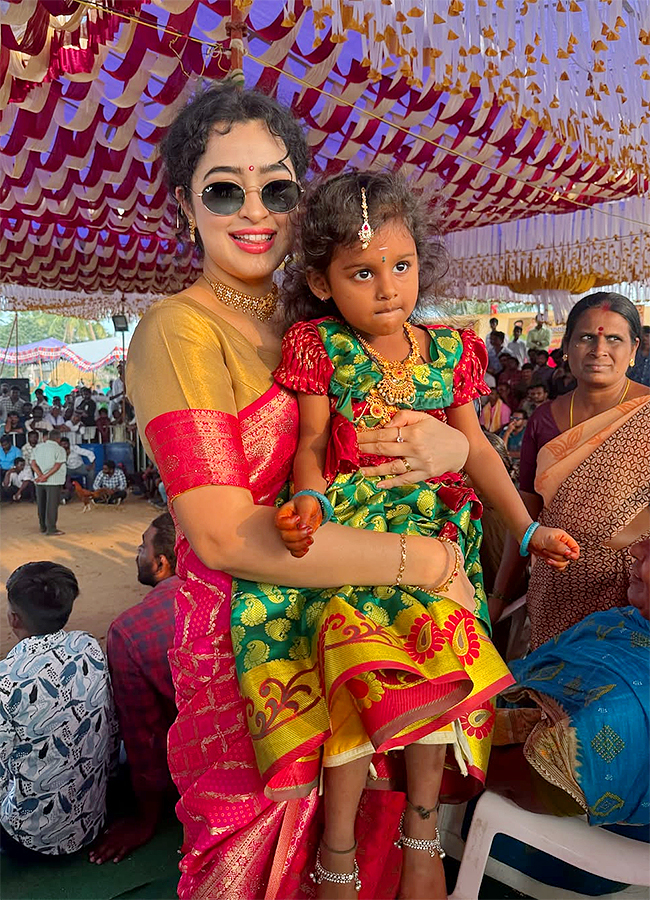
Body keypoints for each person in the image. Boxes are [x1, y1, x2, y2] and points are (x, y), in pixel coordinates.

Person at [125, 83, 511, 900]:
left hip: (360, 634)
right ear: (183, 204)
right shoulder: (180, 330)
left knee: (367, 859)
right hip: (253, 662)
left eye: (277, 187)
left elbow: (427, 431)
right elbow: (226, 536)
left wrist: (445, 446)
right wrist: (428, 560)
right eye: (225, 188)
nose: (254, 208)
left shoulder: (323, 325)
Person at [230, 169, 577, 898]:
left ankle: (423, 833)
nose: (388, 287)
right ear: (324, 284)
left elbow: (476, 449)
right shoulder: (320, 344)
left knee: (439, 679)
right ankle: (338, 847)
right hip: (359, 536)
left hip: (439, 537)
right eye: (363, 272)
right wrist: (309, 503)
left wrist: (525, 528)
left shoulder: (451, 350)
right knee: (362, 672)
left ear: (421, 262)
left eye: (401, 265)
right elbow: (313, 444)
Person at [489, 291, 650, 650]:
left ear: (634, 348)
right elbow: (526, 517)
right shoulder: (543, 420)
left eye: (614, 338)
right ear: (567, 346)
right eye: (587, 337)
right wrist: (499, 594)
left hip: (634, 593)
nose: (599, 349)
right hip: (556, 589)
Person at [489, 538, 650, 832]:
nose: (636, 550)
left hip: (551, 854)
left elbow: (500, 777)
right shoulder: (628, 625)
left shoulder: (613, 713)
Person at [0, 562, 118, 857]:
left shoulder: (7, 679)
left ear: (14, 619)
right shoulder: (89, 647)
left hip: (30, 839)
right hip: (92, 820)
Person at [90, 513, 181, 865]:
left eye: (142, 546)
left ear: (161, 563)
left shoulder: (129, 631)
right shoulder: (236, 595)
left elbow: (144, 735)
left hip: (184, 771)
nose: (136, 552)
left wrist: (145, 819)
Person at [31, 429, 67, 536]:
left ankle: (43, 526)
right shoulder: (60, 449)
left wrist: (41, 476)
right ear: (58, 439)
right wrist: (45, 476)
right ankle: (51, 528)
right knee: (51, 505)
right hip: (53, 481)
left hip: (39, 481)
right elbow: (57, 466)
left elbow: (33, 463)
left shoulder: (37, 448)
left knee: (41, 504)